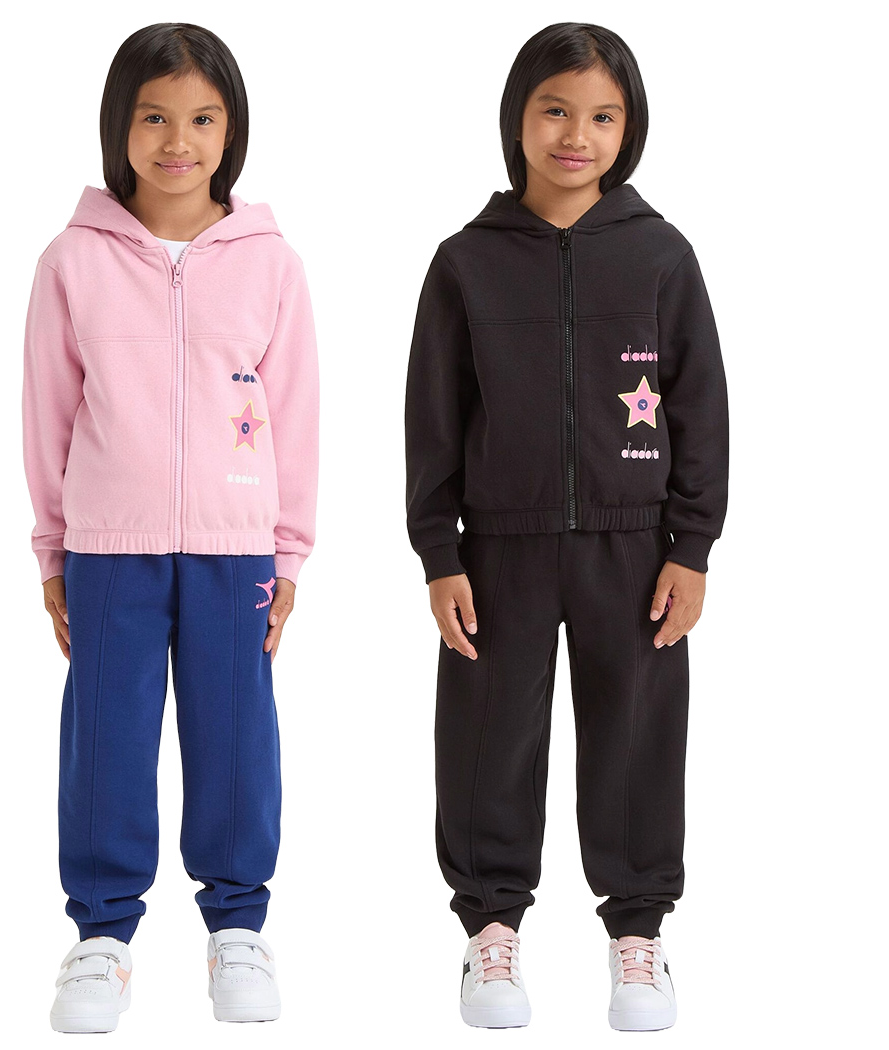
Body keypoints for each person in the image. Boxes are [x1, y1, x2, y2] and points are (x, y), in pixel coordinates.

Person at [404, 22, 727, 1033]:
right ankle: (490, 929)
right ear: (518, 118)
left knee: (635, 736)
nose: (576, 135)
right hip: (499, 546)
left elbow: (701, 408)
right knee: (489, 736)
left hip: (635, 544)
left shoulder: (662, 257)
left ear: (629, 129)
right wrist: (439, 553)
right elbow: (432, 419)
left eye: (602, 116)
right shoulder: (465, 262)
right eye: (555, 110)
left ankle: (638, 935)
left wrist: (691, 546)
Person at [22, 23, 318, 1032]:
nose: (178, 141)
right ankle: (102, 937)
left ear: (231, 131)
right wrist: (52, 551)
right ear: (121, 125)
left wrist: (288, 551)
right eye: (154, 118)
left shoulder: (272, 265)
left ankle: (237, 926)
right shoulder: (73, 260)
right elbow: (47, 413)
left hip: (237, 546)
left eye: (202, 118)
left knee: (236, 738)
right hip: (110, 547)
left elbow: (297, 414)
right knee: (105, 738)